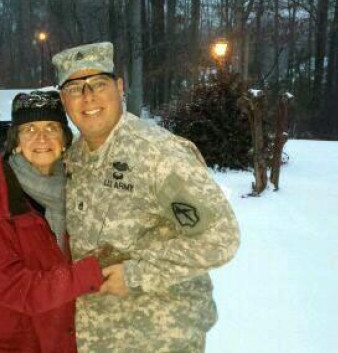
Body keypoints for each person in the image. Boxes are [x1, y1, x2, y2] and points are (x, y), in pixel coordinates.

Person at [52, 42, 241, 352]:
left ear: (119, 87)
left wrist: (137, 275)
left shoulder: (158, 154)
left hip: (157, 337)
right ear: (64, 100)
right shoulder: (73, 159)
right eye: (75, 88)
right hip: (97, 337)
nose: (88, 97)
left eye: (98, 84)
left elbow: (221, 237)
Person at [0, 90, 104, 353]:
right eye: (29, 128)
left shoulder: (80, 185)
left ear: (64, 139)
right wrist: (90, 273)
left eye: (51, 127)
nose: (41, 138)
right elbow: (13, 287)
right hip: (17, 340)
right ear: (16, 141)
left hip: (64, 334)